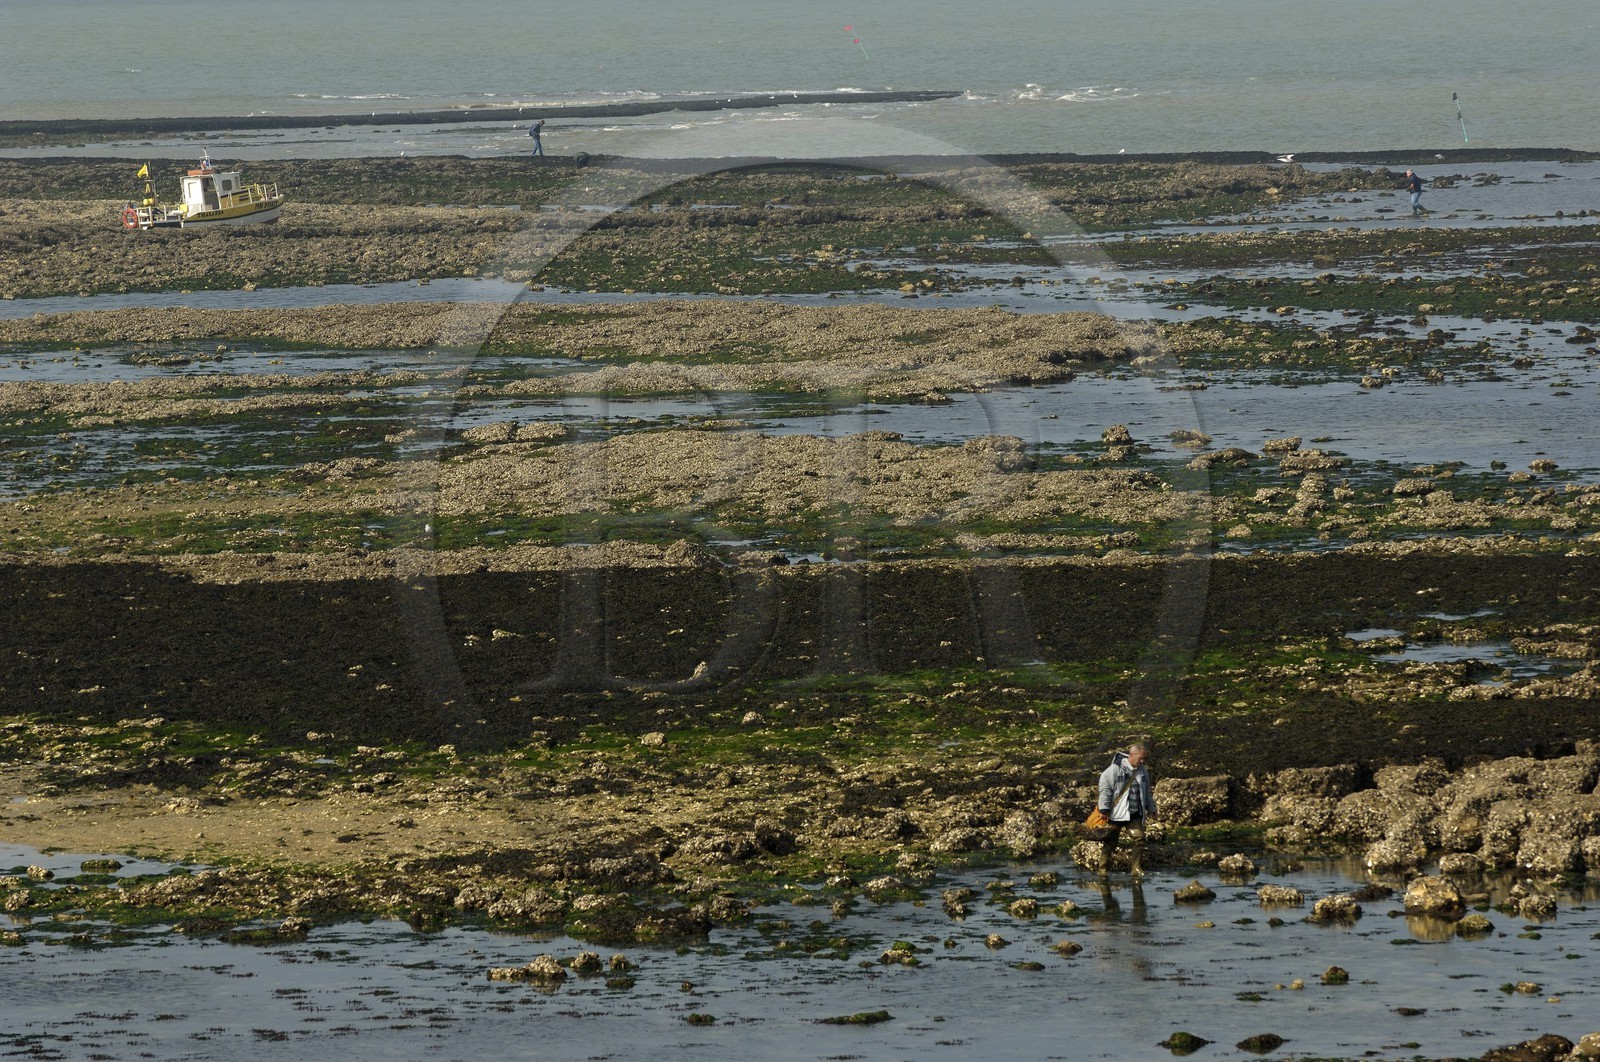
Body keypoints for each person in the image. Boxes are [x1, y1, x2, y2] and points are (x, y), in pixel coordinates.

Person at [1097, 743, 1156, 876]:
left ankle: (1135, 868)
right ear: (1131, 755)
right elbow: (1105, 790)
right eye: (1140, 758)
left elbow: (1146, 792)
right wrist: (1104, 810)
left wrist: (1152, 808)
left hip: (1134, 814)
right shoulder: (1114, 770)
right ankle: (1103, 870)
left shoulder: (1142, 771)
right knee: (1110, 842)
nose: (1142, 761)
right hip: (1116, 814)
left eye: (1143, 758)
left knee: (1139, 839)